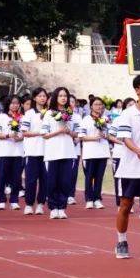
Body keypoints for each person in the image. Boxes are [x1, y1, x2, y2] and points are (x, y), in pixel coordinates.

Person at [113, 75, 140, 260]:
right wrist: (137, 150)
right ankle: (121, 240)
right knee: (125, 206)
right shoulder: (128, 114)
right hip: (130, 169)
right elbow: (125, 138)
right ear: (137, 90)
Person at [41, 87, 77, 220]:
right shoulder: (49, 114)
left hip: (68, 152)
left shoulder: (71, 114)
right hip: (53, 152)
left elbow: (77, 133)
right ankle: (53, 207)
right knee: (52, 182)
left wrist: (69, 132)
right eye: (61, 95)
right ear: (56, 97)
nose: (63, 98)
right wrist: (58, 131)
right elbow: (44, 134)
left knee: (65, 181)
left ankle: (62, 207)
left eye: (65, 96)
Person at [0, 95, 25, 211]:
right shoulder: (1, 117)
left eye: (17, 103)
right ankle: (1, 200)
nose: (15, 105)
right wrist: (8, 135)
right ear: (8, 104)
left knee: (16, 178)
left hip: (18, 152)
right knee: (1, 177)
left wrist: (19, 137)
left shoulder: (22, 117)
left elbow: (24, 134)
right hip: (4, 152)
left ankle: (14, 200)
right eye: (12, 103)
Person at [78, 97, 111, 209]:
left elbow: (110, 134)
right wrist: (93, 138)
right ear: (91, 106)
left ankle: (97, 198)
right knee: (89, 176)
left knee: (99, 177)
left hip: (103, 152)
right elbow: (81, 136)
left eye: (101, 104)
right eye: (96, 104)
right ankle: (89, 199)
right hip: (90, 153)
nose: (99, 106)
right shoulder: (86, 120)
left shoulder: (105, 119)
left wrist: (104, 135)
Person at [20, 88, 49, 215]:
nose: (43, 98)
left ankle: (41, 204)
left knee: (45, 180)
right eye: (40, 96)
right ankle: (29, 204)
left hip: (48, 152)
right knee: (31, 180)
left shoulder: (50, 113)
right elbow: (24, 132)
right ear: (35, 98)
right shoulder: (29, 113)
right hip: (32, 151)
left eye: (44, 96)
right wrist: (39, 133)